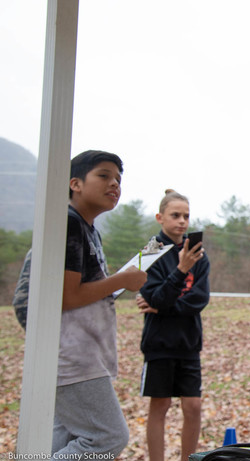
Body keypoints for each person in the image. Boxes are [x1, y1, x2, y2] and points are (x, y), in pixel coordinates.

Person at [52, 150, 148, 456]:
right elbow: (67, 297)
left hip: (82, 352)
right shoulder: (68, 224)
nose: (114, 185)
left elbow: (85, 291)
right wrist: (121, 281)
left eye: (118, 180)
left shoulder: (88, 229)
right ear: (75, 183)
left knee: (61, 439)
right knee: (107, 437)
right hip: (72, 357)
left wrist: (118, 283)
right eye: (104, 176)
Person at [136, 189, 210, 461]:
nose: (182, 221)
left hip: (188, 343)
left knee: (193, 407)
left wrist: (165, 306)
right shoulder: (149, 253)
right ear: (160, 217)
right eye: (175, 215)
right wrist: (180, 271)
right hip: (159, 343)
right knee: (161, 406)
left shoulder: (197, 253)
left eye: (186, 216)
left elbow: (199, 299)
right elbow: (152, 297)